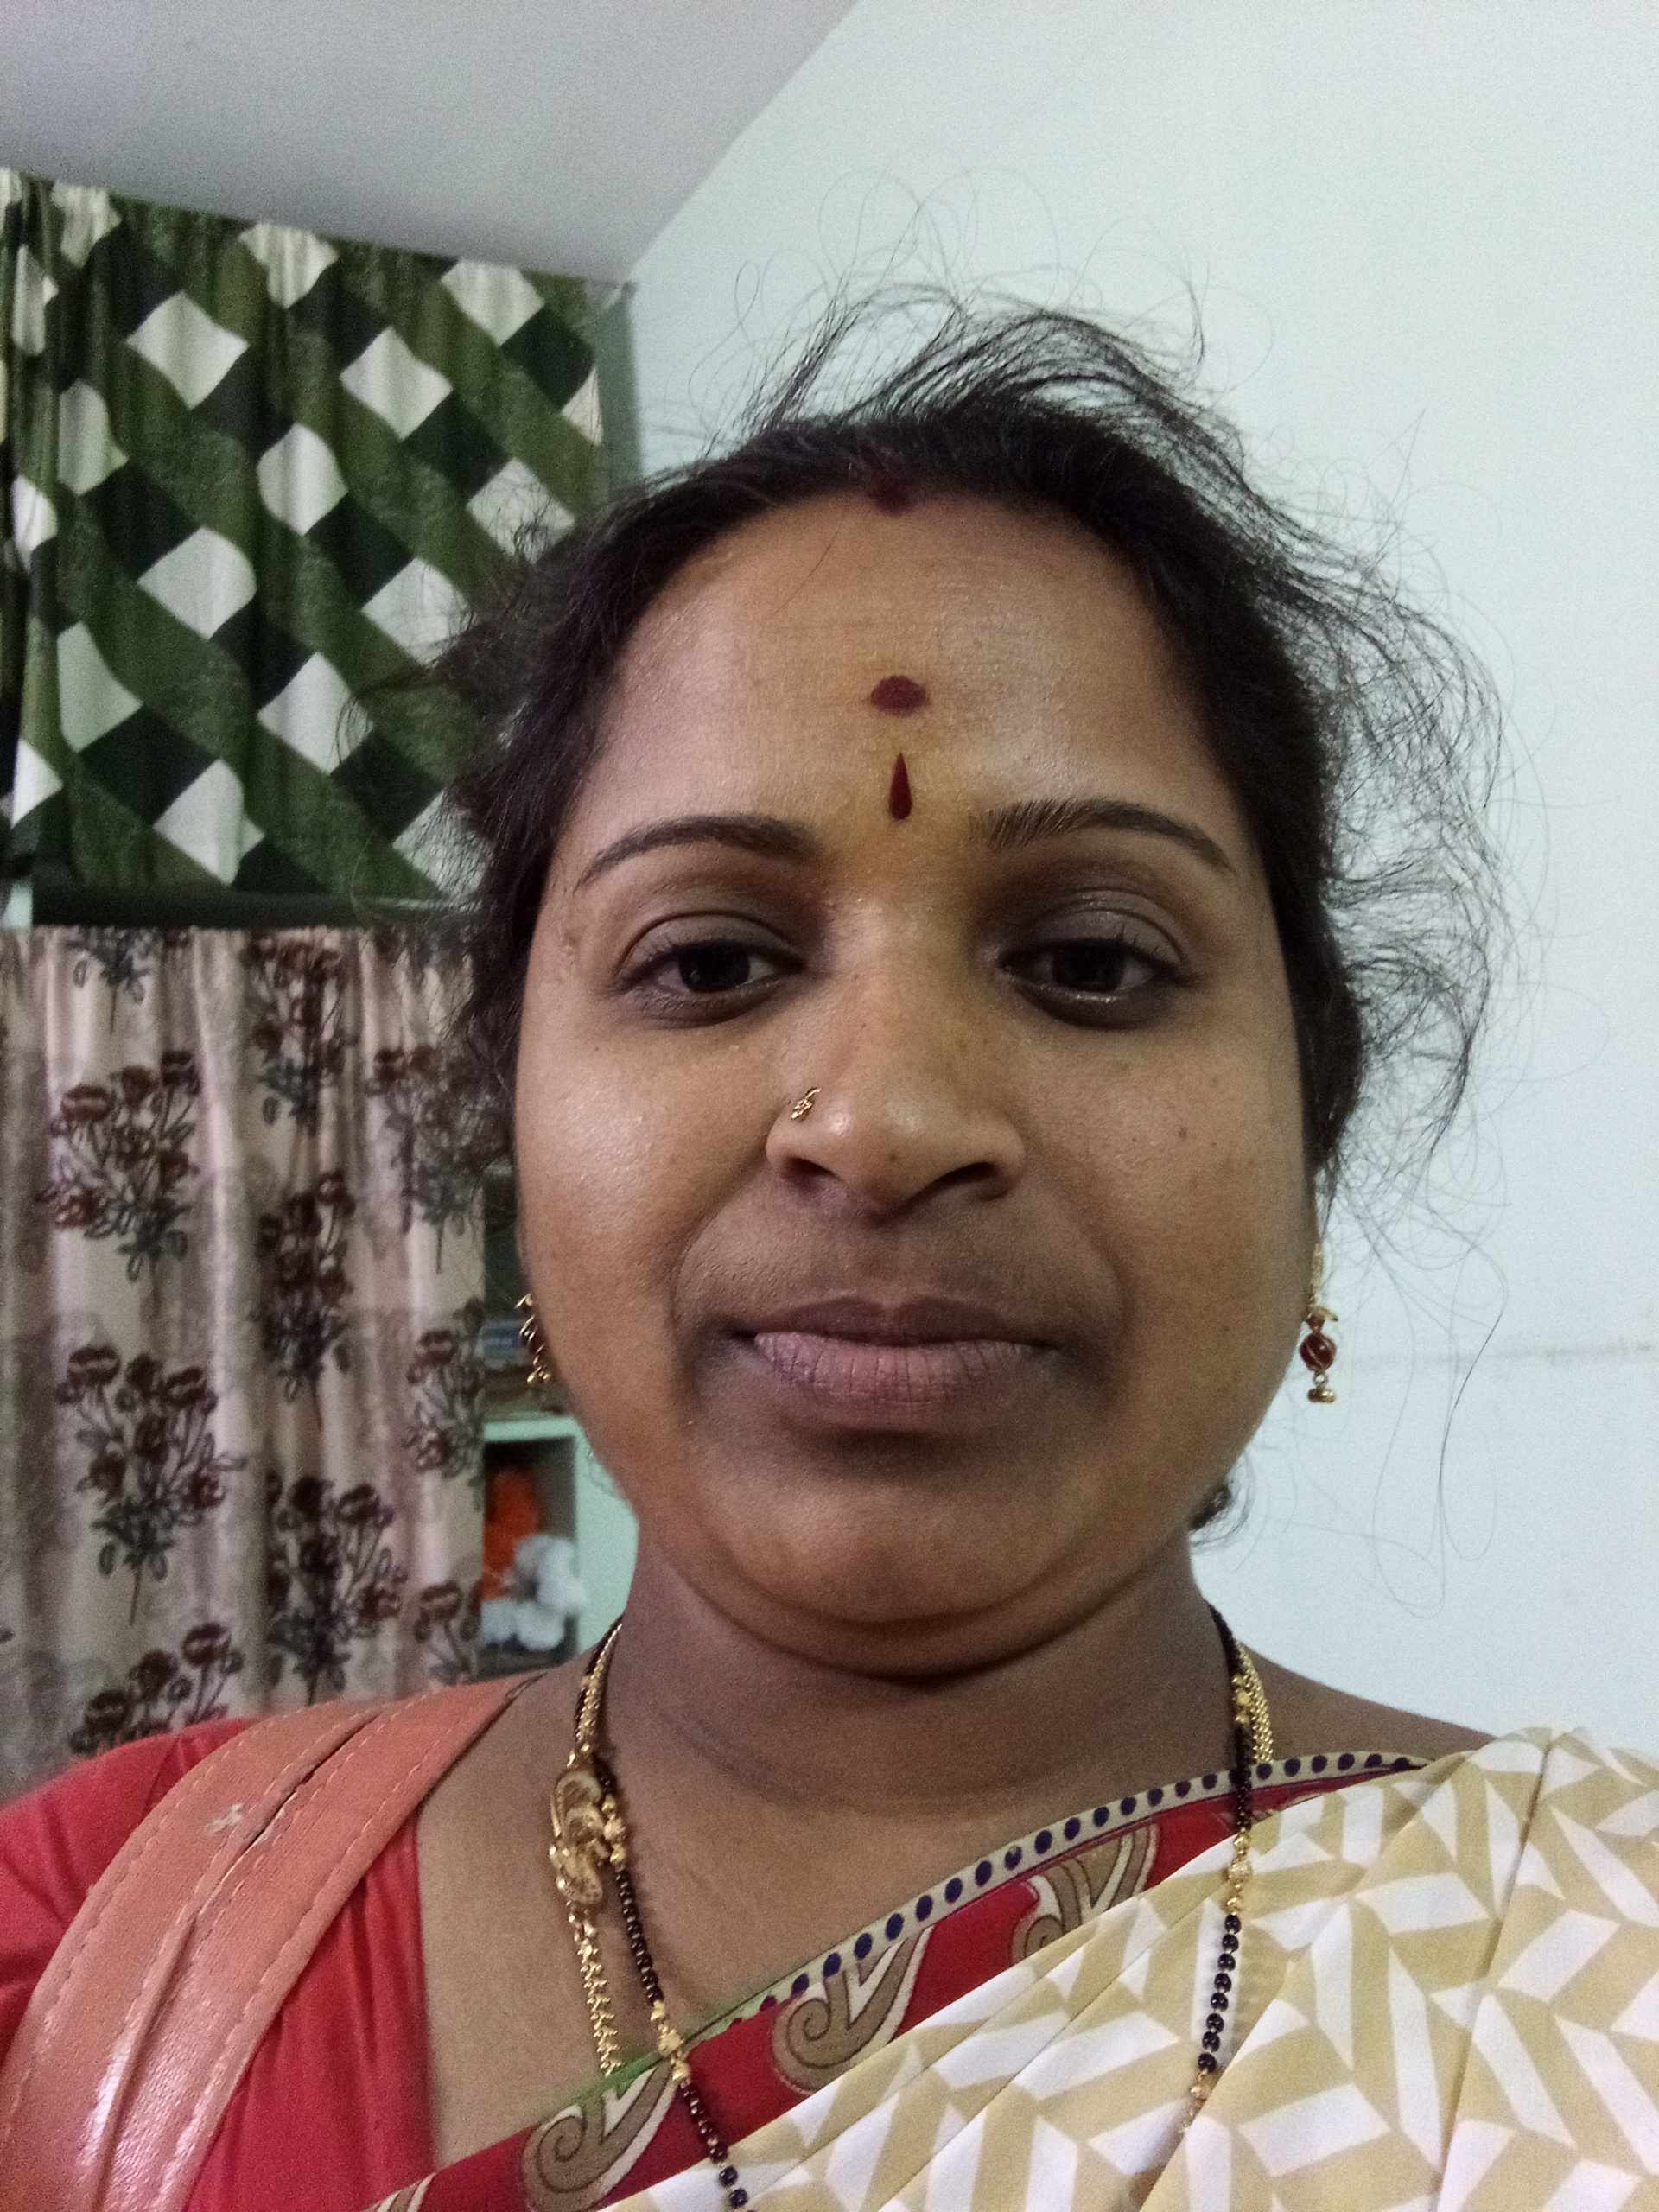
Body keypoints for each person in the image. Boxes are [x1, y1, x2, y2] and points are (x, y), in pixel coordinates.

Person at [2, 302, 1654, 2212]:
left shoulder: (1588, 1967)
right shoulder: (100, 1953)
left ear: (1312, 1122)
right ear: (512, 1118)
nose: (878, 1121)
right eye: (708, 959)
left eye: (1093, 959)